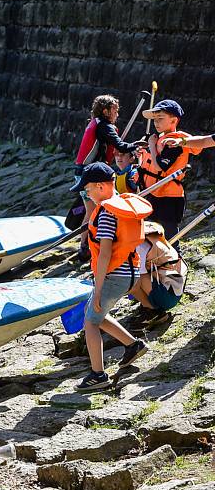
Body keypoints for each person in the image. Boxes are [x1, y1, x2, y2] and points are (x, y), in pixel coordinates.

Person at [69, 163, 152, 392]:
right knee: (95, 313)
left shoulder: (106, 213)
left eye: (87, 191)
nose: (87, 195)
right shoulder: (123, 204)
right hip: (131, 272)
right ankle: (133, 345)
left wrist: (98, 287)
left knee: (90, 322)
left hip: (115, 275)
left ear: (100, 186)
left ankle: (98, 375)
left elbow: (105, 252)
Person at [73, 95, 144, 261]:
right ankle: (90, 246)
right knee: (96, 211)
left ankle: (85, 245)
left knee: (92, 211)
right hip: (89, 176)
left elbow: (113, 146)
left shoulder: (97, 124)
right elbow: (120, 145)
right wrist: (138, 144)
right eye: (114, 111)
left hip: (83, 173)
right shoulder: (104, 126)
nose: (117, 114)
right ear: (105, 111)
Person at [138, 99, 198, 241]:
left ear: (173, 120)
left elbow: (160, 166)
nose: (156, 122)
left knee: (170, 238)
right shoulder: (159, 138)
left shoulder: (174, 142)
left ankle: (175, 262)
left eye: (160, 118)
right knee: (149, 236)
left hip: (169, 198)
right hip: (154, 192)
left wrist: (152, 146)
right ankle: (153, 263)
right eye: (154, 119)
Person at [130, 221, 187, 319]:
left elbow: (136, 280)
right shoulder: (148, 234)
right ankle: (148, 304)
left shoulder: (139, 246)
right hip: (174, 289)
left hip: (168, 297)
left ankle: (152, 311)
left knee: (129, 279)